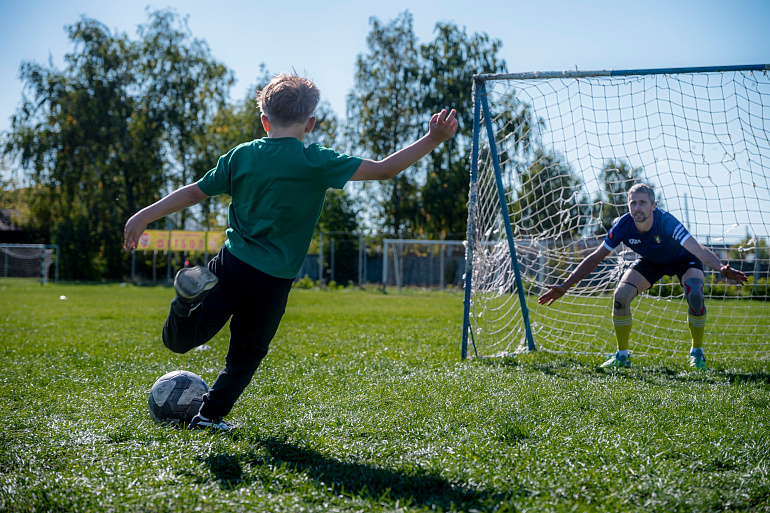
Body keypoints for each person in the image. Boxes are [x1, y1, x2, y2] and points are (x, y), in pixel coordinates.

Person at [124, 72, 458, 431]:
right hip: (273, 279)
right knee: (246, 355)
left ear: (264, 120)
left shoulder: (242, 156)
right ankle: (208, 416)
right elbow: (384, 170)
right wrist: (433, 137)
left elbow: (194, 192)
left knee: (183, 340)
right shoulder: (316, 161)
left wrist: (146, 214)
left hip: (231, 264)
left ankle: (185, 304)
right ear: (310, 123)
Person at [538, 183, 747, 369]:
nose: (637, 208)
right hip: (652, 262)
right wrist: (565, 286)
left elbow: (698, 250)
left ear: (653, 205)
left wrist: (721, 268)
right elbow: (595, 257)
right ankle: (622, 356)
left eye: (642, 203)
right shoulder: (623, 225)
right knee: (620, 297)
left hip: (683, 260)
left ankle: (697, 352)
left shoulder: (667, 222)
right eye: (633, 203)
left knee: (695, 294)